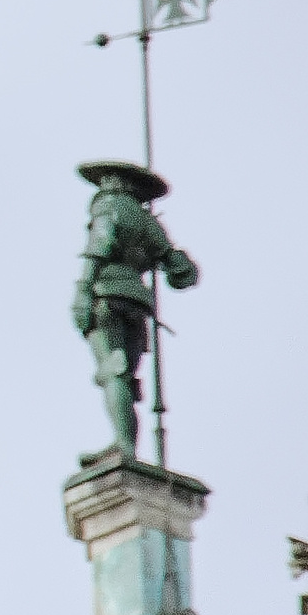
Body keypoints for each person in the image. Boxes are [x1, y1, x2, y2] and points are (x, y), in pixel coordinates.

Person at [71, 158, 198, 460]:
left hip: (107, 297)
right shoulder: (148, 222)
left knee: (113, 372)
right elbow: (182, 273)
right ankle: (124, 443)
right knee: (124, 374)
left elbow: (98, 248)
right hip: (138, 302)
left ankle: (123, 444)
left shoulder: (108, 207)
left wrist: (83, 290)